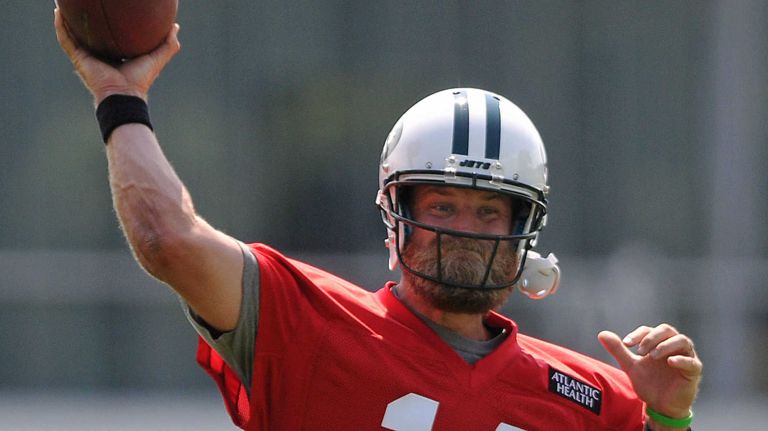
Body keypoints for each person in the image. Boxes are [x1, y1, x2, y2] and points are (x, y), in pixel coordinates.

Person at [54, 9, 702, 431]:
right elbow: (168, 238)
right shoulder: (307, 322)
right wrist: (120, 97)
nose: (466, 230)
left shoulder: (592, 397)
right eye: (443, 205)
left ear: (525, 227)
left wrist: (667, 418)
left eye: (488, 209)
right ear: (398, 217)